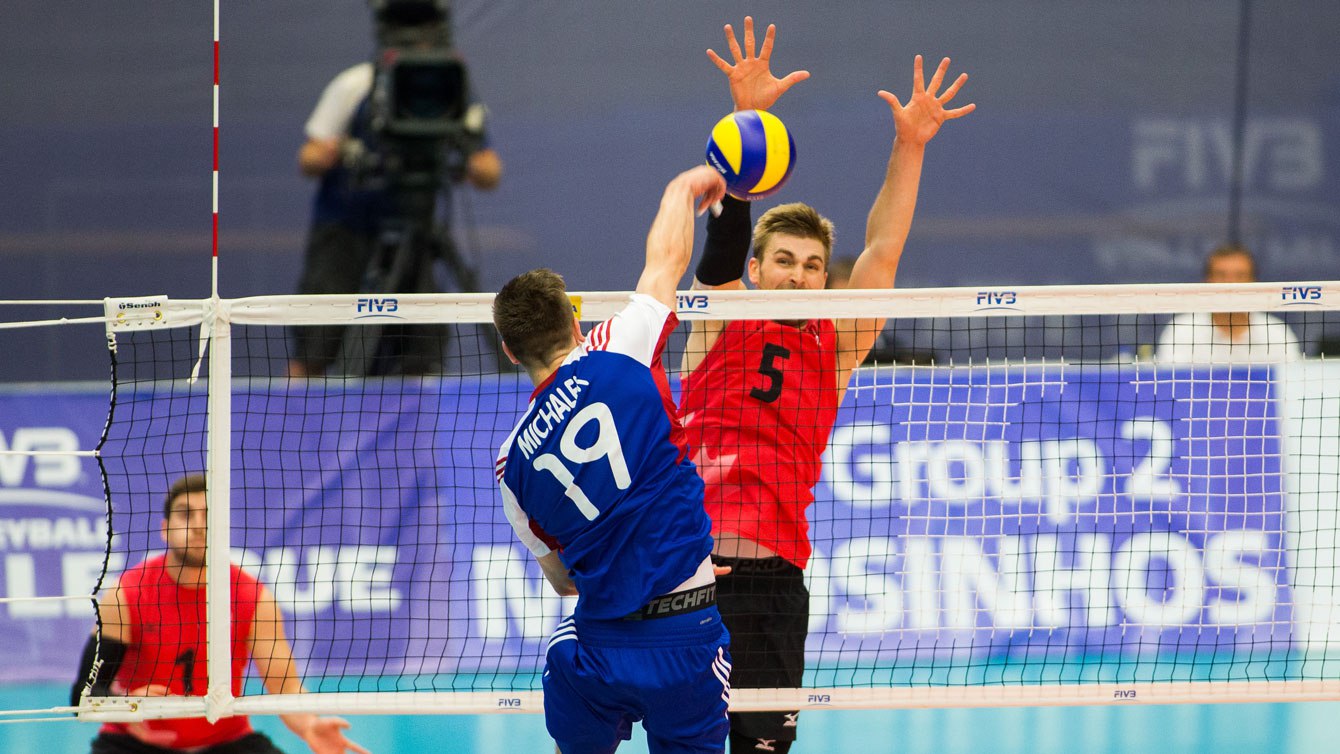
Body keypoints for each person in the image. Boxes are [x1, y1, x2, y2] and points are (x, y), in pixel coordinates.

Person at [678, 18, 974, 753]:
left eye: (812, 265)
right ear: (759, 269)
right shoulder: (719, 316)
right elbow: (717, 245)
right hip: (686, 572)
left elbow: (884, 247)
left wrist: (910, 148)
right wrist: (750, 119)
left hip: (775, 580)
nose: (800, 275)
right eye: (784, 261)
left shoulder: (835, 345)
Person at [492, 164, 731, 754]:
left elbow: (563, 580)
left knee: (567, 669)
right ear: (575, 321)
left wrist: (633, 561)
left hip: (599, 647)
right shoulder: (620, 348)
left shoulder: (509, 464)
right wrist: (681, 188)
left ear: (508, 350)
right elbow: (666, 262)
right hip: (687, 631)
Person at [71, 474, 369, 754]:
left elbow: (285, 686)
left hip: (225, 741)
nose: (199, 526)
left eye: (209, 515)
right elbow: (83, 694)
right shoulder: (125, 594)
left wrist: (309, 726)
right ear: (164, 529)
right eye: (186, 514)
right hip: (134, 743)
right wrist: (129, 706)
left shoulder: (253, 597)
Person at [289, 5, 503, 378]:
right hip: (345, 235)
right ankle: (288, 437)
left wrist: (468, 160)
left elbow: (489, 171)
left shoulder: (455, 91)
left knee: (421, 357)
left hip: (416, 237)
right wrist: (339, 151)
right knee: (315, 349)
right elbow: (308, 157)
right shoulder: (356, 85)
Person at [1154, 244, 1302, 363]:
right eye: (1221, 275)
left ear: (1254, 282)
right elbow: (1171, 389)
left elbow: (1291, 387)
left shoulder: (1277, 334)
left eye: (1240, 275)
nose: (1230, 283)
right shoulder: (1181, 331)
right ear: (1207, 281)